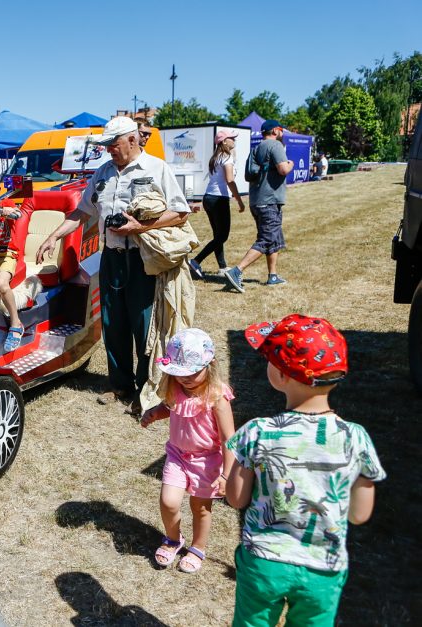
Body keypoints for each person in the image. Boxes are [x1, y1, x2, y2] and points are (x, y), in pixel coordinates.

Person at [226, 314, 385, 626]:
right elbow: (359, 514)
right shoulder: (356, 438)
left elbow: (236, 499)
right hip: (323, 568)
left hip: (264, 561)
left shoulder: (257, 431)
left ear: (282, 375)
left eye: (269, 358)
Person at [37, 116, 190, 415]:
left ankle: (147, 387)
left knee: (144, 324)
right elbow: (82, 212)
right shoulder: (103, 173)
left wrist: (140, 227)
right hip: (112, 258)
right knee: (113, 321)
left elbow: (181, 212)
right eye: (106, 145)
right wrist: (53, 236)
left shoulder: (157, 168)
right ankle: (119, 383)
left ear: (132, 140)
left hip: (143, 258)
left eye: (114, 144)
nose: (109, 150)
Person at [139, 328, 235, 573]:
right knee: (169, 501)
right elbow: (170, 407)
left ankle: (198, 547)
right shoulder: (176, 388)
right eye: (180, 374)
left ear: (209, 366)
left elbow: (228, 439)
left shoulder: (217, 398)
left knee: (200, 508)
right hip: (177, 456)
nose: (185, 379)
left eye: (192, 373)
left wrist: (226, 474)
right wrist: (154, 414)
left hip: (207, 461)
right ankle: (173, 539)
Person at [224, 120, 294, 293]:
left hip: (257, 200)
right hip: (269, 200)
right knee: (267, 239)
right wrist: (291, 163)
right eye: (281, 131)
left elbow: (248, 176)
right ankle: (236, 271)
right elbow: (284, 169)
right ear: (276, 131)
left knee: (274, 238)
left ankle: (273, 276)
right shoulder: (275, 146)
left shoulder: (255, 149)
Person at [188, 130, 246, 279]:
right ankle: (195, 261)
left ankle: (222, 266)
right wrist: (239, 200)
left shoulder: (217, 157)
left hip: (209, 198)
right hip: (219, 199)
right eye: (231, 138)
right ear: (224, 142)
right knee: (222, 236)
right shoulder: (226, 157)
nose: (234, 140)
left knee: (218, 235)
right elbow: (230, 180)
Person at [0, 198, 27, 352]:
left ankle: (16, 323)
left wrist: (2, 211)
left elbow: (17, 213)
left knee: (1, 284)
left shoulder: (5, 203)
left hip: (5, 253)